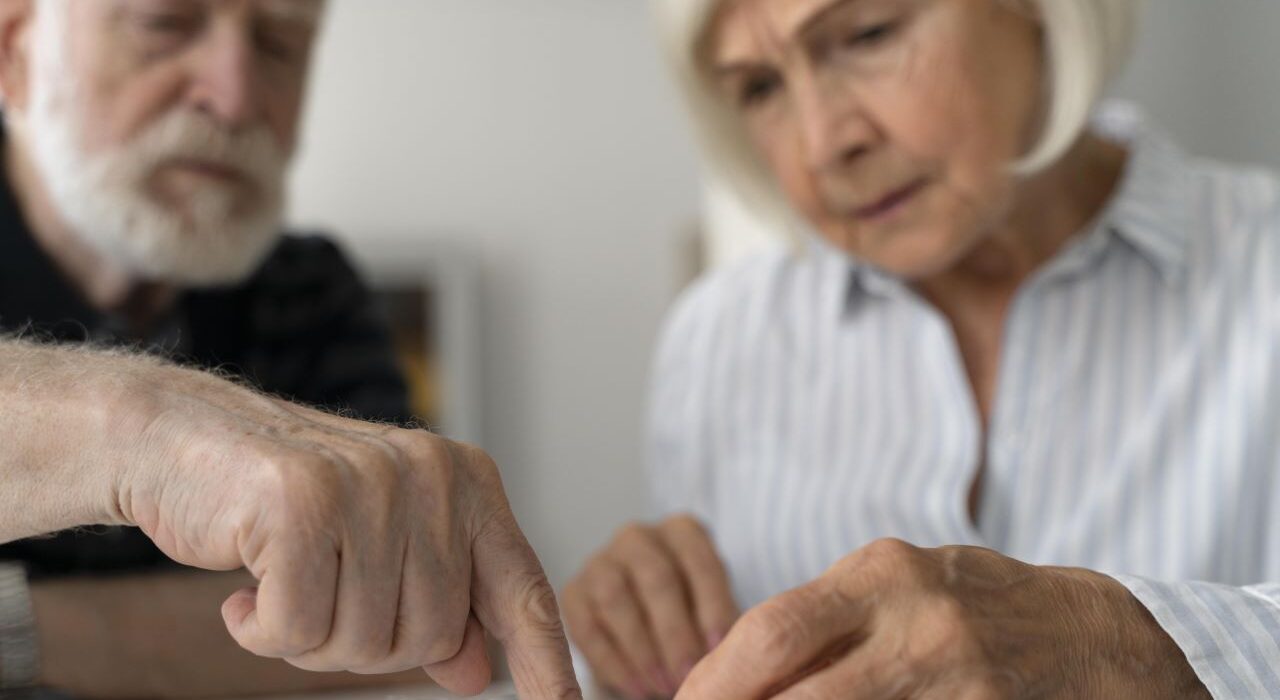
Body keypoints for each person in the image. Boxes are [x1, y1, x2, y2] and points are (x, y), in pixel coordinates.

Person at [565, 0, 1280, 697]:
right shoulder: (717, 339)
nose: (824, 145)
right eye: (760, 87)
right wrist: (633, 641)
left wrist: (1122, 646)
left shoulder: (1262, 265)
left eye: (868, 34)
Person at [0, 1, 579, 698]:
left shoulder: (310, 288)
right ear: (15, 50)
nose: (236, 96)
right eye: (165, 23)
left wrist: (19, 628)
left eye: (279, 44)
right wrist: (143, 428)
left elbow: (415, 622)